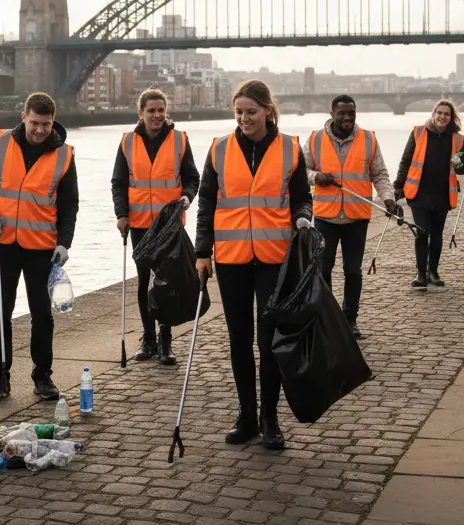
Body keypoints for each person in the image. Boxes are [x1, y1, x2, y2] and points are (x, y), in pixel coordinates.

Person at [195, 79, 313, 452]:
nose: (244, 118)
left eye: (251, 112)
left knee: (269, 340)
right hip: (231, 260)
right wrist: (202, 252)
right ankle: (246, 415)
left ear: (268, 111)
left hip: (273, 258)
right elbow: (206, 205)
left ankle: (270, 419)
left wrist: (303, 218)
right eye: (239, 112)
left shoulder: (290, 149)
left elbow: (301, 199)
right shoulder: (218, 149)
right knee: (239, 340)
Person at [0, 92, 78, 404]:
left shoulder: (64, 155)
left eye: (45, 124)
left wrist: (64, 243)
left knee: (42, 314)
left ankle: (42, 376)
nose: (40, 130)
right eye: (34, 123)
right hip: (2, 244)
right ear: (23, 117)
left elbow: (69, 205)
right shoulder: (1, 142)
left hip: (42, 248)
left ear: (52, 121)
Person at [111, 87, 200, 364]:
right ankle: (148, 338)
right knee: (144, 283)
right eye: (151, 110)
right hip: (139, 225)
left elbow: (192, 178)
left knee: (166, 283)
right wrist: (121, 214)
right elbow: (119, 183)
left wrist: (187, 197)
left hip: (169, 224)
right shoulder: (127, 142)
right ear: (141, 113)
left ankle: (165, 340)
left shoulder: (179, 140)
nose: (157, 115)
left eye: (161, 110)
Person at [304, 94, 397, 337]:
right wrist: (316, 177)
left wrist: (388, 198)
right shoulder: (315, 139)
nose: (347, 118)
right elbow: (299, 170)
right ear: (332, 113)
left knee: (352, 271)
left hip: (357, 217)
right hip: (325, 217)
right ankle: (327, 318)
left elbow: (380, 173)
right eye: (342, 113)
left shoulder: (368, 139)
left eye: (351, 113)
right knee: (323, 269)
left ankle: (350, 320)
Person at [393, 99, 464, 287]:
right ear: (433, 114)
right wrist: (398, 185)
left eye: (446, 114)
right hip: (419, 192)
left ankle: (433, 271)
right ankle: (420, 274)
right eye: (439, 113)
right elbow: (406, 160)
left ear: (451, 118)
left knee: (437, 234)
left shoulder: (457, 139)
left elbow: (460, 169)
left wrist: (461, 164)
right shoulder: (418, 133)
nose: (442, 117)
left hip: (442, 193)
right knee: (422, 232)